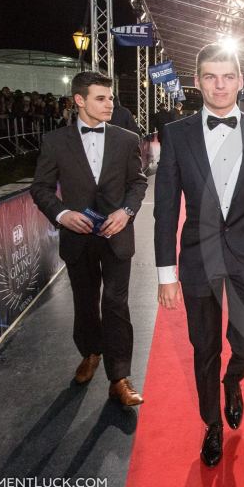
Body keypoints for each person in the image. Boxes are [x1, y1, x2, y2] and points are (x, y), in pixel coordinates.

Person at [154, 43, 244, 467]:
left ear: (240, 81)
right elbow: (165, 209)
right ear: (197, 82)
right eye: (210, 76)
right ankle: (211, 424)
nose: (220, 85)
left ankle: (234, 380)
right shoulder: (176, 134)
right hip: (197, 258)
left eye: (227, 76)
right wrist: (165, 273)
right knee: (204, 346)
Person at [30, 71, 148, 404]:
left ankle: (120, 377)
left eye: (110, 98)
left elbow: (137, 184)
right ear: (79, 100)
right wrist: (63, 214)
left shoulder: (126, 139)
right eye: (101, 98)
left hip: (116, 235)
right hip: (77, 238)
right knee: (85, 303)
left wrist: (125, 212)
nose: (109, 103)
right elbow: (39, 188)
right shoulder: (55, 141)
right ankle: (90, 353)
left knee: (115, 303)